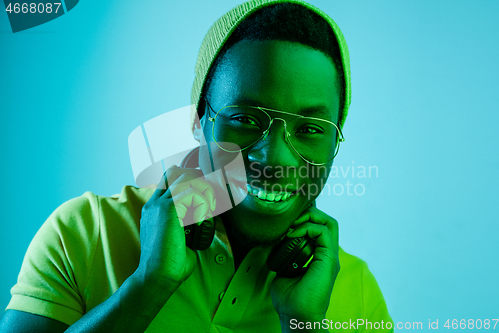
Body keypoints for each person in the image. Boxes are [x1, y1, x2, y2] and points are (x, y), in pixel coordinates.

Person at [0, 0, 393, 332]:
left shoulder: (357, 290)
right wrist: (147, 286)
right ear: (198, 120)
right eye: (244, 119)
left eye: (310, 129)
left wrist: (304, 324)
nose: (275, 158)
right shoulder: (84, 233)